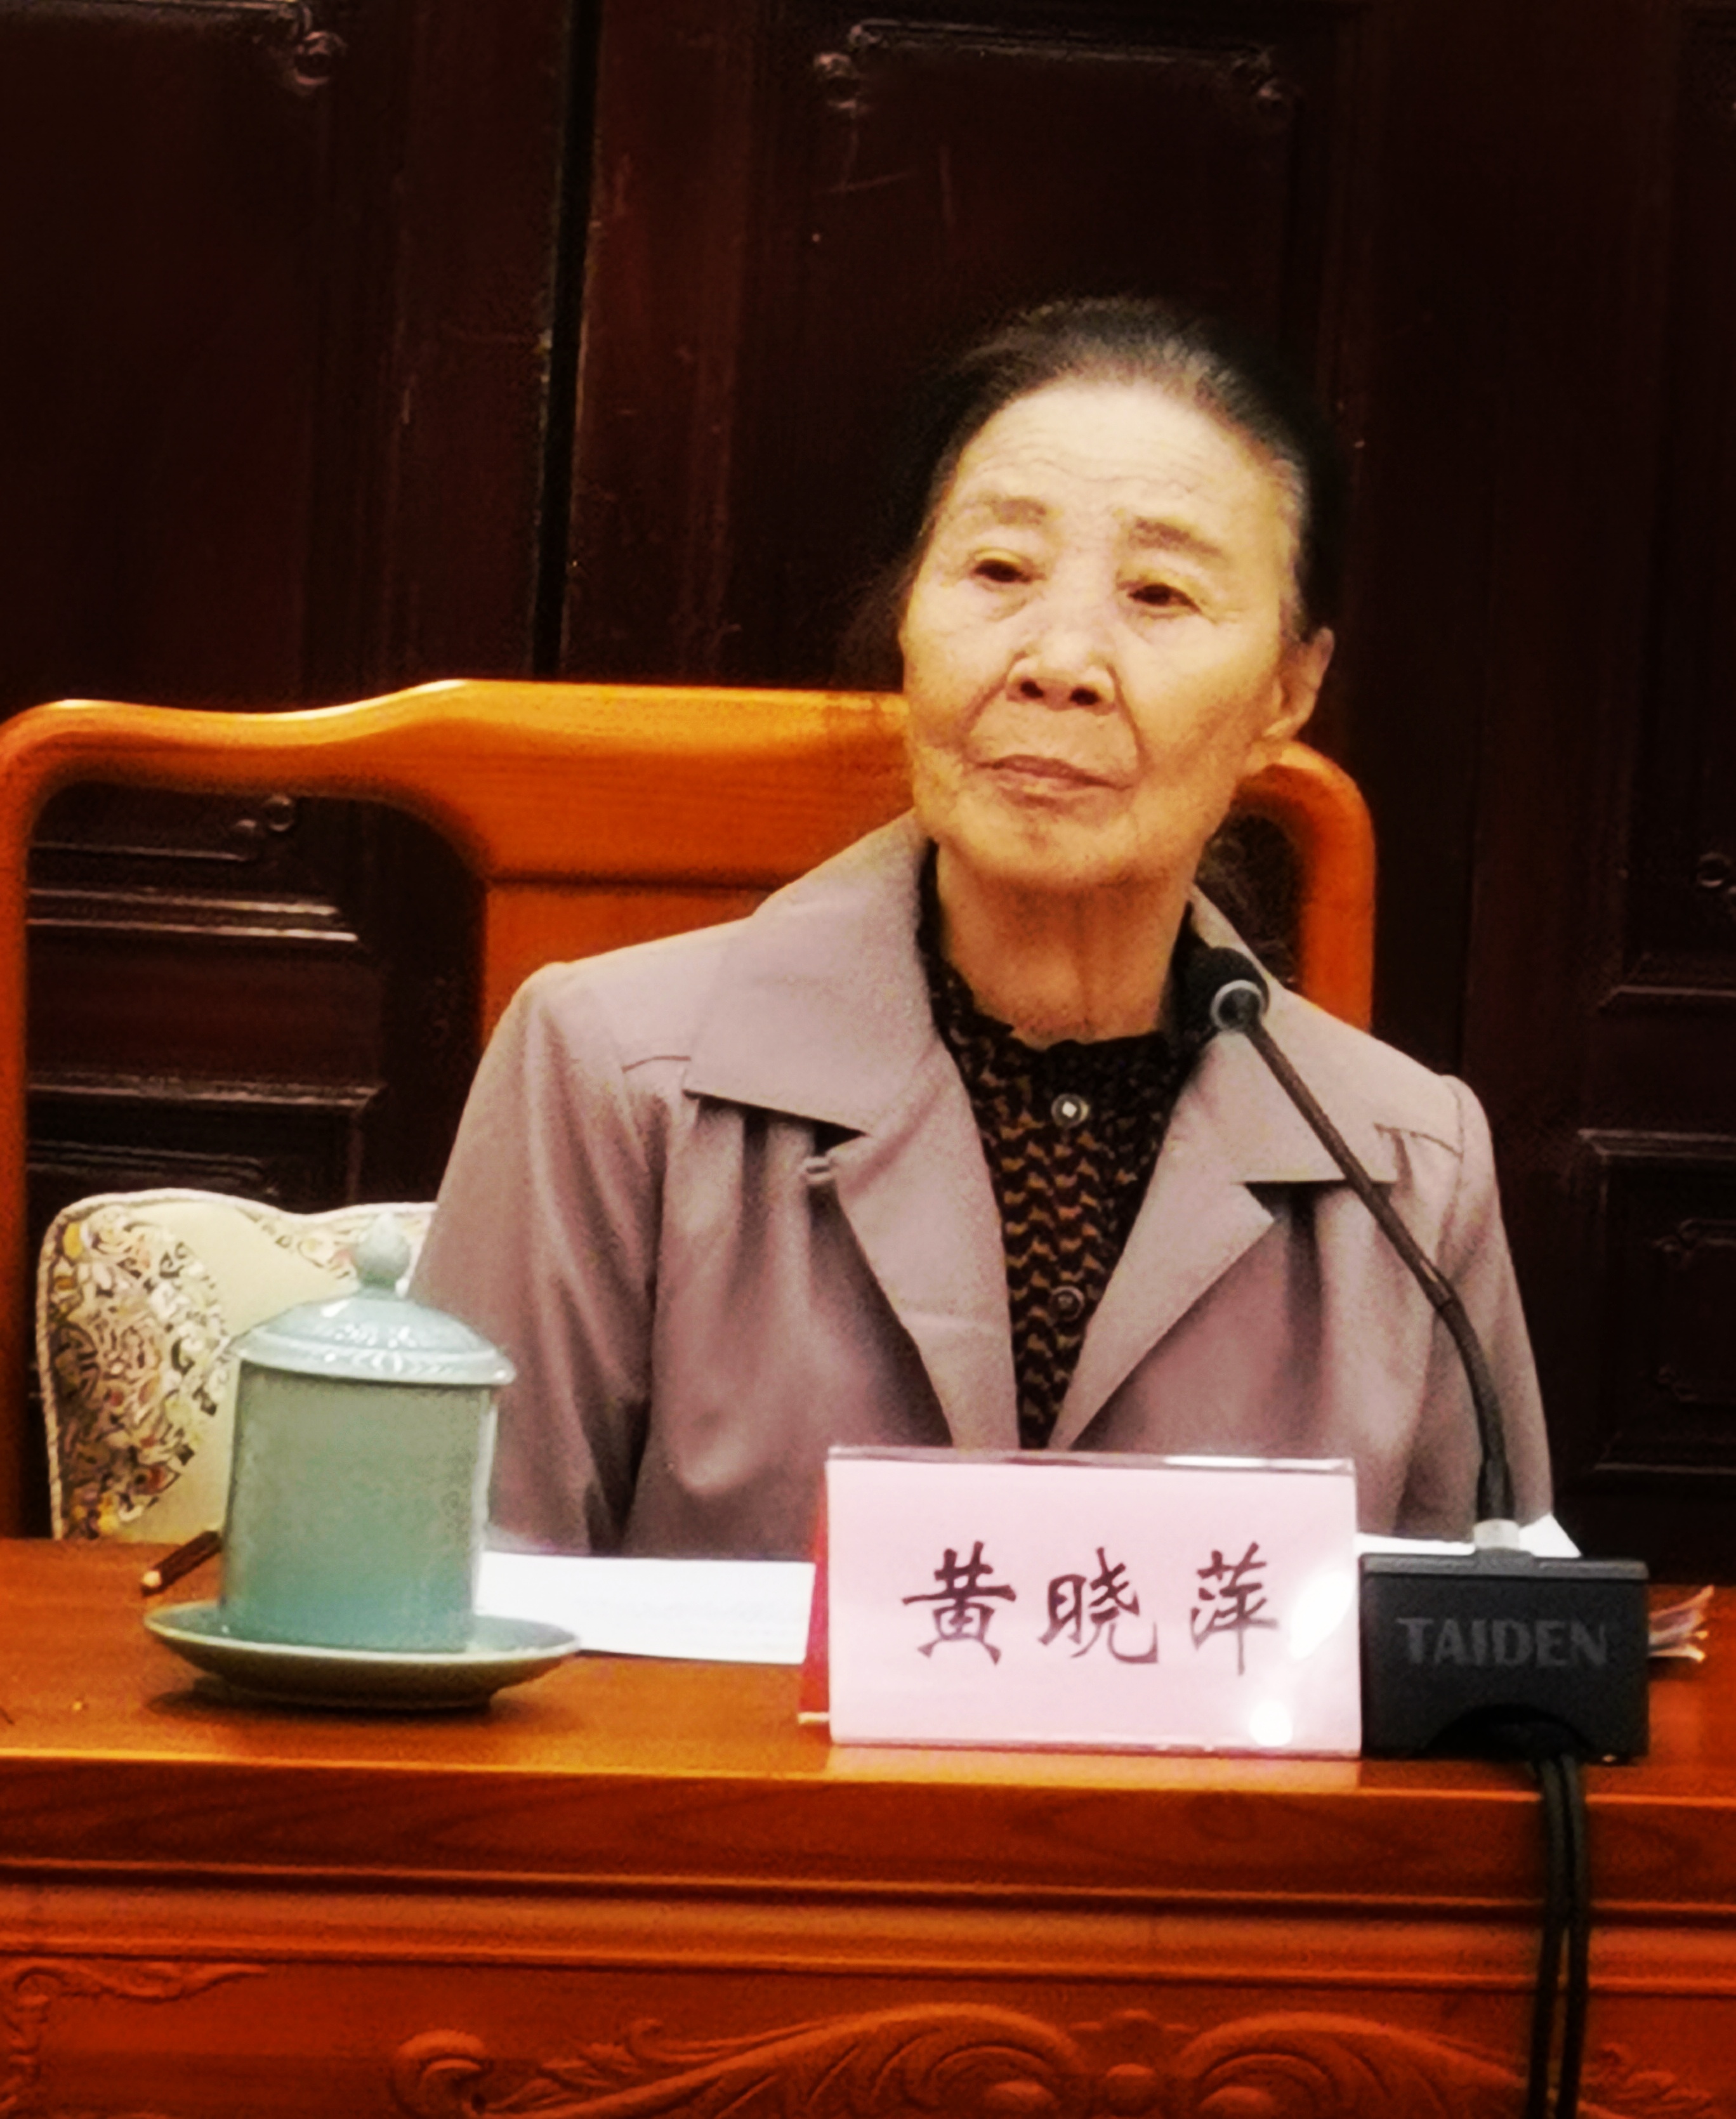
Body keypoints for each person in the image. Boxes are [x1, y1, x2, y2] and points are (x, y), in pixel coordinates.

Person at [412, 298, 1552, 1558]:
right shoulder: (610, 1074)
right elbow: (451, 1599)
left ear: (1287, 693)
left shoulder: (1411, 1167)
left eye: (1160, 593)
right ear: (910, 618)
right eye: (999, 572)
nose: (1058, 660)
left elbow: (1489, 1654)